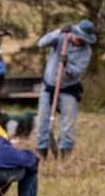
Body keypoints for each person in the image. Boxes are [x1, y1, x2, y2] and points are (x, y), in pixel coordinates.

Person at [35, 19, 96, 160]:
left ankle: (65, 158)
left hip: (69, 89)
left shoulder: (86, 51)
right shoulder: (61, 38)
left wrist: (67, 64)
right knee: (42, 121)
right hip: (48, 85)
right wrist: (58, 31)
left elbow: (78, 71)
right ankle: (41, 154)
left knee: (68, 125)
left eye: (83, 39)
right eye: (79, 37)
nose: (80, 40)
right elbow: (41, 43)